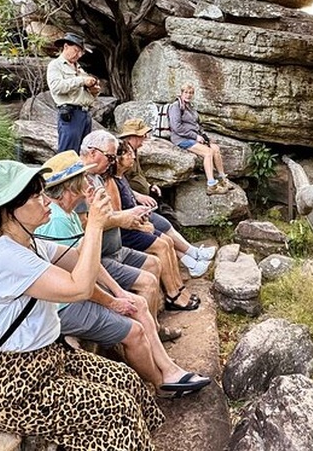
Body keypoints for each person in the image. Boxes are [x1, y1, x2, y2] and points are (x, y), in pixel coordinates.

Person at [0, 159, 164, 449]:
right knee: (118, 408)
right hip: (18, 384)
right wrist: (95, 225)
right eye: (36, 196)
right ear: (9, 210)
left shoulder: (31, 243)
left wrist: (99, 220)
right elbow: (79, 287)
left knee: (126, 379)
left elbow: (82, 261)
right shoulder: (8, 257)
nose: (47, 200)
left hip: (50, 359)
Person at [35, 151, 212, 393]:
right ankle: (161, 385)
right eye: (82, 178)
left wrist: (119, 292)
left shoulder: (67, 213)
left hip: (79, 291)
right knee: (134, 329)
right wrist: (113, 301)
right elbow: (78, 280)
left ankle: (170, 369)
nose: (88, 181)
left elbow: (86, 261)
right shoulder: (57, 221)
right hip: (64, 304)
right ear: (70, 187)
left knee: (137, 302)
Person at [81, 131, 200, 310]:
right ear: (92, 152)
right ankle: (173, 294)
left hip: (117, 244)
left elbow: (111, 213)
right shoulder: (85, 182)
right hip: (111, 248)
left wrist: (133, 214)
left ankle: (177, 289)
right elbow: (92, 222)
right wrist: (128, 218)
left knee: (165, 243)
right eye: (110, 157)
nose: (112, 162)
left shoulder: (99, 177)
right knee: (161, 245)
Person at [118, 118, 217, 274]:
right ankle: (192, 259)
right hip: (135, 207)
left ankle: (193, 257)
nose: (144, 139)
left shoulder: (133, 153)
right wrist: (137, 196)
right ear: (132, 137)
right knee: (163, 229)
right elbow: (122, 183)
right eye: (142, 136)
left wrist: (149, 185)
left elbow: (138, 176)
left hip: (144, 201)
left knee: (167, 225)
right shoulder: (123, 156)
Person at [168, 83, 233, 195]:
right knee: (208, 152)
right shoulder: (176, 106)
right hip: (181, 139)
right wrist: (195, 136)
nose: (188, 95)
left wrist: (206, 138)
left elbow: (197, 125)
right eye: (186, 92)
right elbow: (176, 127)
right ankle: (211, 185)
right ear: (181, 93)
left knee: (215, 148)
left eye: (191, 93)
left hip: (194, 137)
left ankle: (223, 179)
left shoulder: (190, 107)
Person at [47, 32, 99, 154]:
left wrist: (94, 91)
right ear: (66, 47)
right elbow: (56, 87)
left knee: (84, 154)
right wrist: (82, 81)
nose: (79, 55)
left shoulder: (79, 68)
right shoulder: (55, 65)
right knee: (68, 154)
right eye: (76, 50)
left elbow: (85, 93)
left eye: (81, 52)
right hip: (70, 114)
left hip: (85, 114)